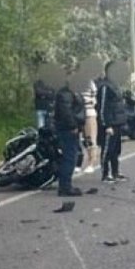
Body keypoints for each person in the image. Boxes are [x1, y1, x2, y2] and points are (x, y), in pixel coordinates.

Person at [53, 68, 87, 198]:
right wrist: (73, 125)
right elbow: (66, 112)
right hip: (67, 129)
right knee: (69, 158)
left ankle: (66, 185)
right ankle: (65, 187)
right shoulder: (65, 93)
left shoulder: (73, 92)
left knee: (72, 157)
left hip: (72, 127)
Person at [96, 59, 131, 182]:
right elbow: (102, 107)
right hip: (109, 124)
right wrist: (106, 125)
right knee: (107, 150)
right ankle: (105, 174)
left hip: (117, 122)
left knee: (116, 149)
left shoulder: (115, 85)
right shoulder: (104, 87)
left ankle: (116, 172)